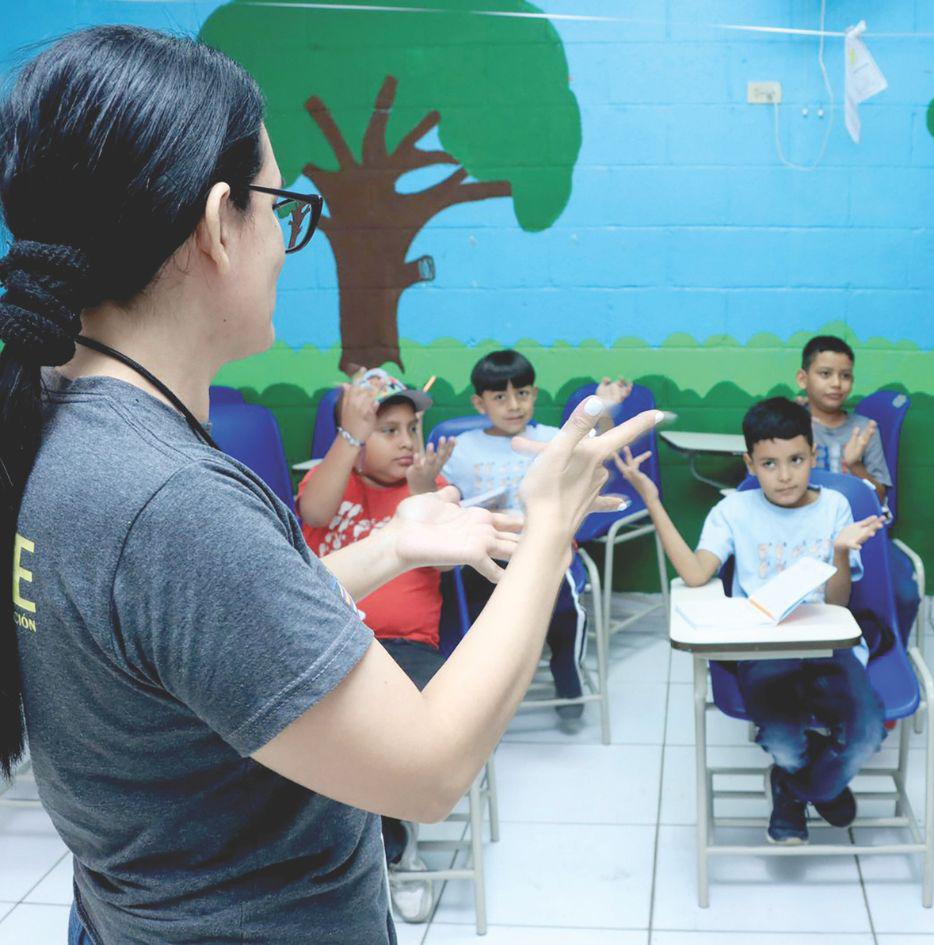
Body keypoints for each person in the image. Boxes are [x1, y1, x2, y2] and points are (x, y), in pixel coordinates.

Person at [0, 26, 659, 945]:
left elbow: (201, 633)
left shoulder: (56, 417)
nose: (284, 242)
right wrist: (550, 526)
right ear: (215, 223)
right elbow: (425, 768)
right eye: (280, 207)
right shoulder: (167, 503)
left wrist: (392, 545)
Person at [616, 397, 885, 844]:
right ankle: (818, 783)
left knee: (867, 735)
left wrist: (839, 551)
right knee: (782, 741)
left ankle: (793, 789)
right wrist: (652, 500)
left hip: (828, 643)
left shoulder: (835, 505)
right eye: (770, 463)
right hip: (762, 648)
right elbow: (695, 573)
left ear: (813, 456)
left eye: (796, 460)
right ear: (749, 464)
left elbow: (839, 603)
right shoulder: (733, 511)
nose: (784, 475)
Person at [296, 367, 455, 921]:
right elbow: (314, 513)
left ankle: (392, 851)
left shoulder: (426, 492)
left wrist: (421, 492)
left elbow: (439, 549)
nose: (408, 441)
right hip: (331, 641)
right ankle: (342, 845)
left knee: (383, 727)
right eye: (389, 430)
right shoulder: (331, 484)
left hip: (406, 648)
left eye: (412, 428)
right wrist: (350, 434)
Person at [440, 350, 632, 722]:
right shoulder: (461, 449)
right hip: (488, 551)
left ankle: (568, 672)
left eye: (523, 394)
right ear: (479, 402)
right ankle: (483, 693)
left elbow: (595, 459)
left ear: (535, 393)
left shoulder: (553, 439)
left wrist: (605, 412)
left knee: (566, 612)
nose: (514, 405)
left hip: (545, 548)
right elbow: (444, 499)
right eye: (500, 397)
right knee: (479, 616)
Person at [796, 335, 891, 501]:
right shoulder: (788, 424)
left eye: (845, 376)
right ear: (803, 379)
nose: (837, 384)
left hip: (852, 520)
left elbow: (879, 497)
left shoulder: (864, 430)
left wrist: (855, 465)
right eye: (825, 374)